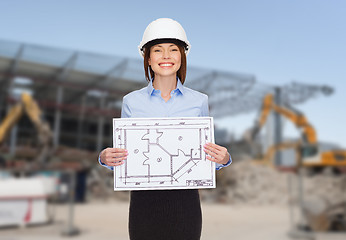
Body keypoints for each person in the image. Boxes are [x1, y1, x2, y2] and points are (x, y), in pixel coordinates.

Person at [99, 18, 232, 240]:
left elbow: (203, 158)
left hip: (186, 204)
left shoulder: (199, 101)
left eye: (173, 50)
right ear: (148, 59)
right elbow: (126, 159)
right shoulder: (131, 102)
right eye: (158, 50)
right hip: (144, 206)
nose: (166, 56)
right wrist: (106, 158)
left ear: (182, 56)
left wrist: (223, 159)